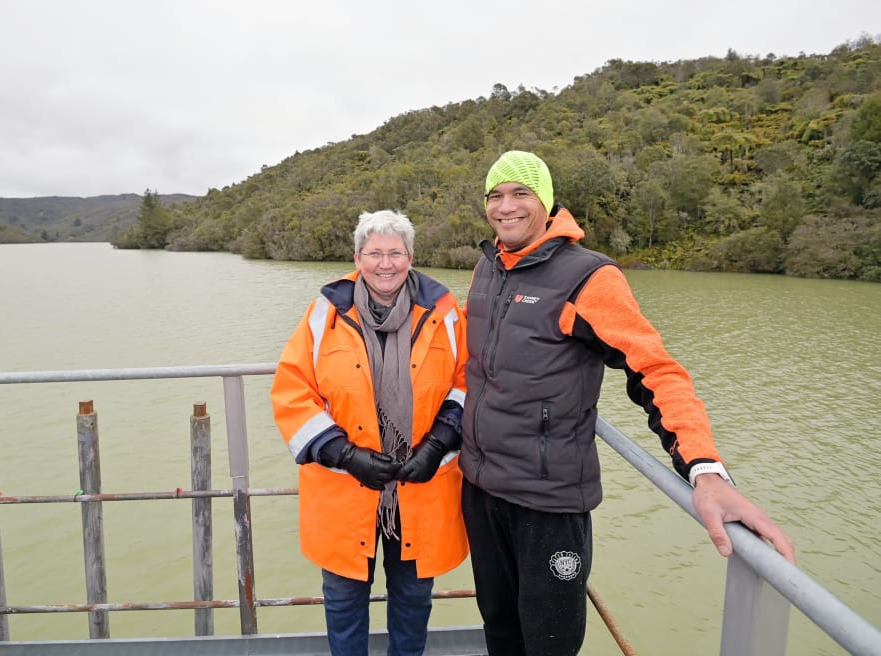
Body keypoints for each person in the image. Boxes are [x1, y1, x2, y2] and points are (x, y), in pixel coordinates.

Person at [460, 150, 797, 656]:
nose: (505, 207)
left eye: (520, 193)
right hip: (482, 491)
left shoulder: (587, 277)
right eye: (495, 196)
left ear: (546, 203)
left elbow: (655, 370)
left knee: (548, 643)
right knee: (500, 630)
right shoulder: (487, 270)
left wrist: (706, 471)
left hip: (548, 503)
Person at [270, 209, 469, 656]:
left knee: (414, 600)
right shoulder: (324, 315)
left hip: (420, 484)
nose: (385, 263)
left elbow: (467, 381)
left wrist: (438, 444)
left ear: (411, 257)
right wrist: (343, 454)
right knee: (342, 601)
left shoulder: (447, 314)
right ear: (357, 257)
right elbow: (291, 392)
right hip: (345, 490)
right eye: (374, 253)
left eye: (395, 253)